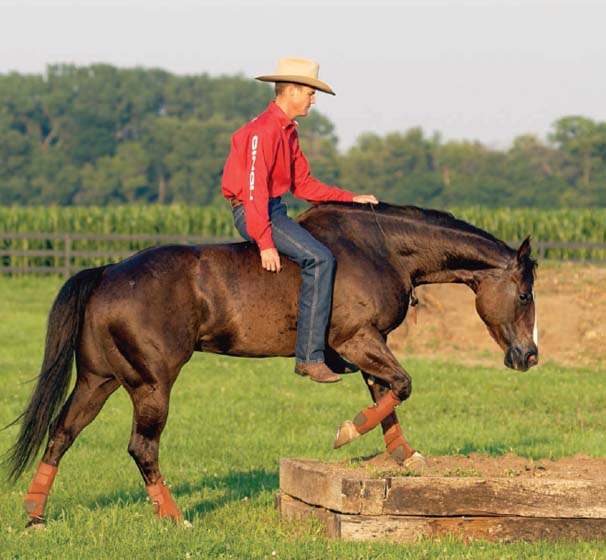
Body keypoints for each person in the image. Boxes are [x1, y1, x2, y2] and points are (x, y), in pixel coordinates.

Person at [222, 57, 378, 383]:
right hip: (256, 211)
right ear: (291, 90)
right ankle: (309, 357)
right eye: (309, 92)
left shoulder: (288, 131)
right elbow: (253, 191)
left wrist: (351, 198)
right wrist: (264, 243)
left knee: (326, 255)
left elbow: (304, 185)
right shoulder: (263, 131)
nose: (313, 99)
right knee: (320, 259)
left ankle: (322, 344)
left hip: (274, 209)